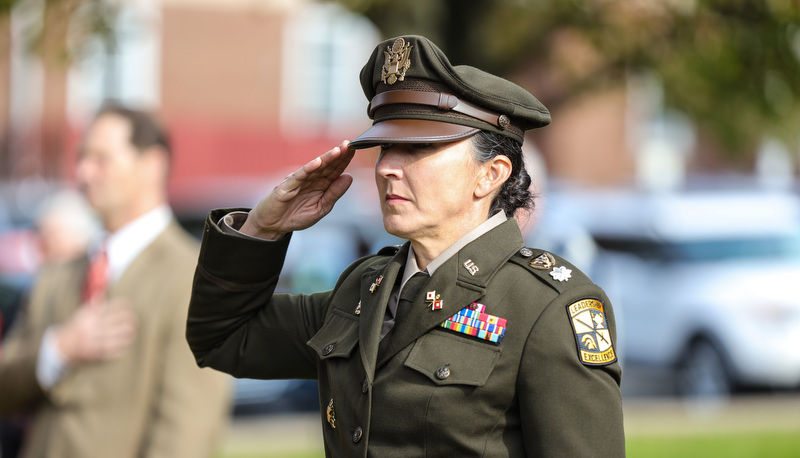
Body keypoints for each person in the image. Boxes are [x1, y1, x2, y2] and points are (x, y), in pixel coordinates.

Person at [187, 35, 624, 457]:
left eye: (418, 148)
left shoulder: (548, 308)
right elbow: (222, 337)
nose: (387, 168)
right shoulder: (363, 289)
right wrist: (262, 228)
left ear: (490, 174)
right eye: (386, 147)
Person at [0, 105, 231, 458]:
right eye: (81, 158)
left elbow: (184, 437)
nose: (83, 172)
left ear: (152, 165)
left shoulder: (194, 278)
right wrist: (57, 348)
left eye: (101, 159)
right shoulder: (57, 274)